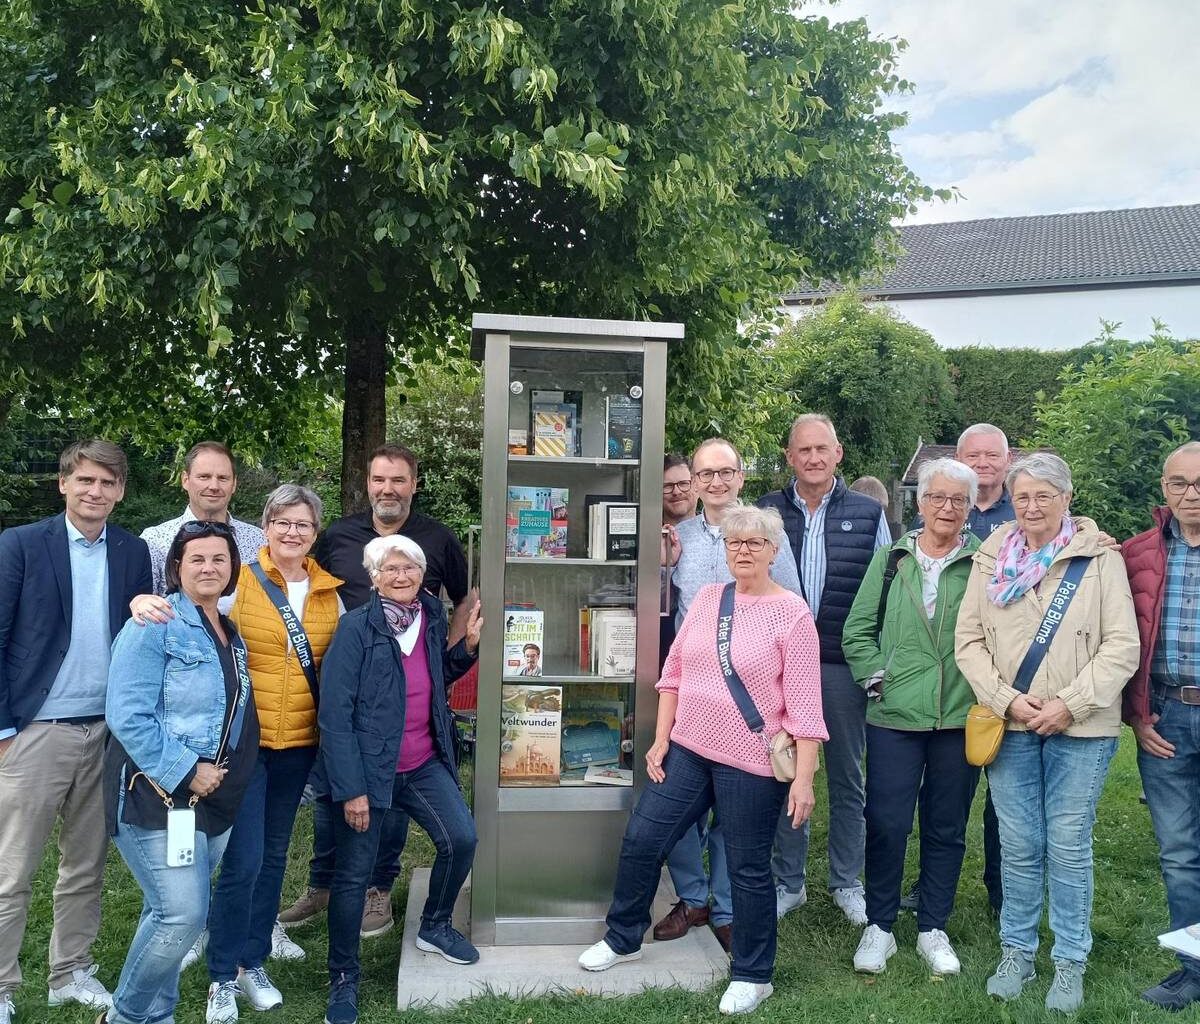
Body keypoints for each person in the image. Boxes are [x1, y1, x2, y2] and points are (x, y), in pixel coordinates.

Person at [578, 505, 825, 1016]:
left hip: (752, 763)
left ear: (774, 552)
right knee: (644, 838)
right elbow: (673, 676)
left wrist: (804, 778)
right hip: (690, 749)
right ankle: (623, 937)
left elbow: (805, 708)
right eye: (735, 543)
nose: (743, 552)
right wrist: (661, 739)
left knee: (748, 867)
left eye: (754, 544)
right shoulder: (712, 599)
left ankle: (755, 975)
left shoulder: (794, 614)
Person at [956, 453, 1139, 1014]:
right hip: (1010, 724)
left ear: (1066, 497)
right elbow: (969, 642)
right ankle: (1017, 951)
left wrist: (1070, 704)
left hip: (1081, 729)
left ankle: (1070, 960)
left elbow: (1121, 645)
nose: (1032, 507)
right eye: (1022, 497)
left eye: (1044, 496)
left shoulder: (1099, 558)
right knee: (1018, 845)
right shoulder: (991, 557)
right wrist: (1008, 700)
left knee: (1066, 843)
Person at [280, 443, 470, 938]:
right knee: (331, 790)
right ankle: (321, 883)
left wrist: (441, 659)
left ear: (414, 483)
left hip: (405, 684)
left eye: (398, 480)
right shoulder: (340, 536)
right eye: (379, 480)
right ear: (368, 484)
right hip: (341, 677)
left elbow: (462, 600)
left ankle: (376, 888)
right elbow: (306, 588)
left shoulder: (437, 538)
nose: (388, 489)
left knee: (389, 795)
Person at [0, 439, 151, 1024]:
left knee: (84, 865)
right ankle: (3, 986)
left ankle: (70, 973)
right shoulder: (20, 545)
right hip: (35, 732)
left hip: (106, 733)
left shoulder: (134, 551)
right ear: (63, 484)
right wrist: (6, 729)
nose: (96, 492)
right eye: (85, 481)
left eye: (108, 483)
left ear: (120, 491)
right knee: (13, 870)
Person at [311, 535, 480, 1024]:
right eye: (391, 569)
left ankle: (435, 924)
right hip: (369, 772)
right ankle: (343, 977)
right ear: (373, 576)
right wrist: (351, 790)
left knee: (461, 838)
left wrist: (466, 647)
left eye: (410, 568)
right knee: (353, 877)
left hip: (422, 762)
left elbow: (435, 675)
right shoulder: (355, 629)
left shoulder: (429, 617)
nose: (401, 576)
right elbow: (335, 716)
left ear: (423, 574)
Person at [101, 521, 259, 1024]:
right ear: (176, 567)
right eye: (197, 559)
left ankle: (158, 1015)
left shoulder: (231, 633)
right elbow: (126, 713)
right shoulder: (153, 624)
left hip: (210, 806)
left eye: (219, 559)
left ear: (233, 567)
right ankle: (125, 1015)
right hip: (155, 796)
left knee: (163, 913)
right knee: (182, 916)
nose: (209, 568)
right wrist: (187, 770)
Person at [657, 439, 804, 951]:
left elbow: (794, 616)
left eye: (726, 472)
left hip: (751, 708)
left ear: (741, 476)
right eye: (705, 474)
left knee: (732, 818)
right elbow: (658, 609)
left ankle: (723, 905)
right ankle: (692, 897)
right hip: (693, 697)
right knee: (679, 811)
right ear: (693, 482)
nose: (715, 482)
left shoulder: (766, 535)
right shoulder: (679, 537)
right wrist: (660, 565)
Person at [842, 458, 982, 976]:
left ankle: (932, 927)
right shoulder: (891, 560)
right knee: (886, 822)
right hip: (895, 715)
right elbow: (857, 631)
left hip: (958, 716)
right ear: (919, 502)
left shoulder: (985, 564)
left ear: (968, 507)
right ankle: (879, 927)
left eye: (958, 500)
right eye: (937, 497)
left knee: (946, 826)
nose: (946, 508)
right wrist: (877, 678)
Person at [758, 413, 891, 925]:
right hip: (779, 666)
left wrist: (876, 658)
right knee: (786, 768)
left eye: (823, 449)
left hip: (840, 663)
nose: (813, 458)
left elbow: (886, 585)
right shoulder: (767, 509)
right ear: (789, 457)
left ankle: (846, 881)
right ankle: (788, 882)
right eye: (803, 450)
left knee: (847, 775)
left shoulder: (867, 511)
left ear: (838, 454)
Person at [905, 422, 1015, 917]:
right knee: (948, 800)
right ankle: (928, 889)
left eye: (993, 455)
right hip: (949, 685)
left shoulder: (1028, 514)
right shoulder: (944, 514)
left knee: (1006, 801)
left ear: (1007, 463)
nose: (983, 462)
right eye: (974, 455)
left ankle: (1004, 891)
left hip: (1010, 679)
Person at [1123, 441, 1200, 1010]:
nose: (1190, 494)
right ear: (1163, 489)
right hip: (1165, 717)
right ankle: (1194, 968)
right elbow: (1122, 641)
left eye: (1199, 483)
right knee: (1178, 850)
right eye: (1179, 483)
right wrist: (1137, 714)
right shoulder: (1138, 554)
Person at [139, 442, 265, 601]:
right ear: (185, 480)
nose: (214, 486)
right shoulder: (154, 540)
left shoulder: (259, 541)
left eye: (223, 478)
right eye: (204, 477)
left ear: (234, 484)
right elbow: (143, 603)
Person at [659, 453, 696, 673]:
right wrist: (665, 567)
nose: (677, 491)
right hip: (657, 645)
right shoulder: (646, 537)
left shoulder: (716, 535)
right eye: (668, 486)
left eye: (683, 483)